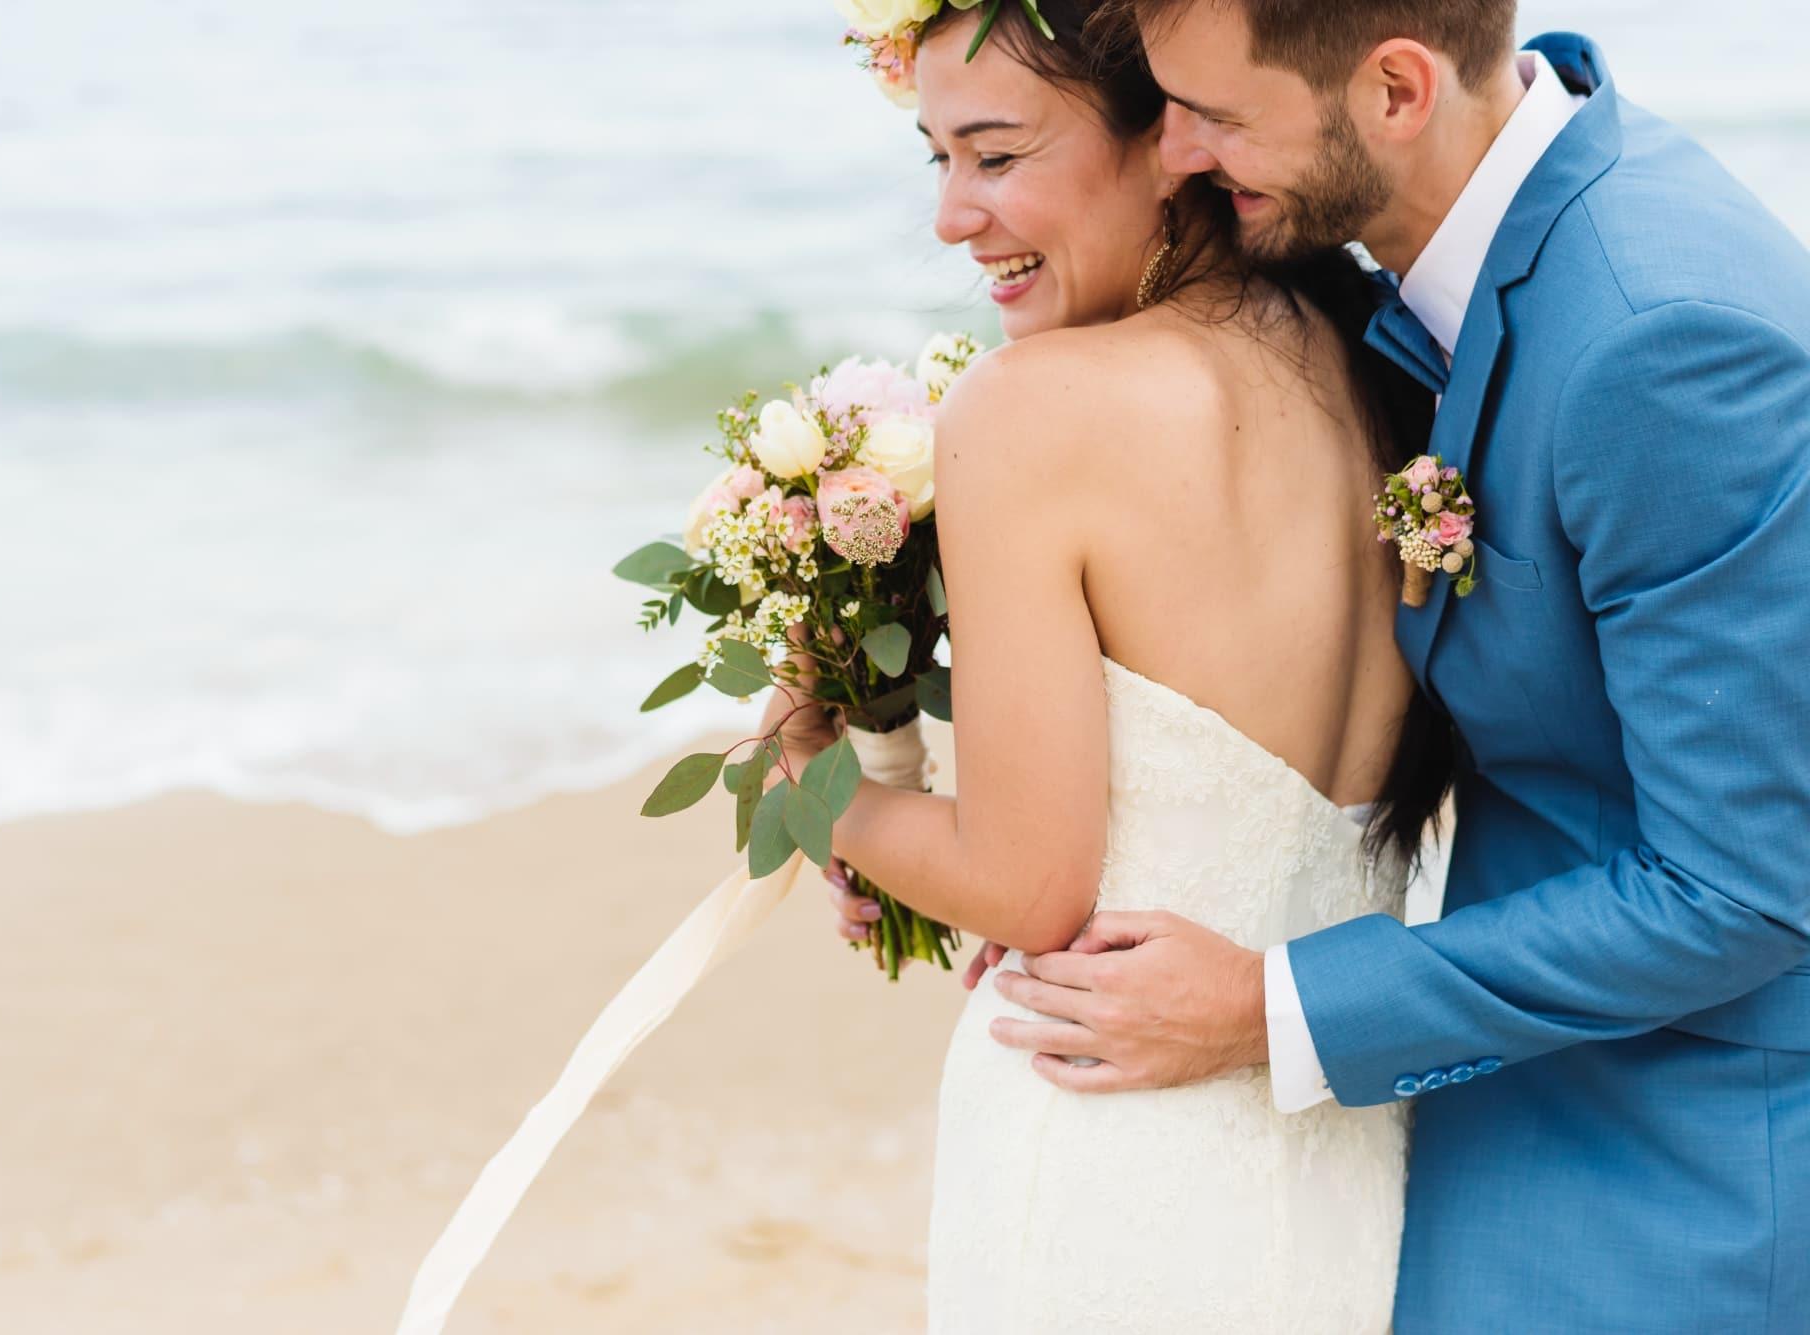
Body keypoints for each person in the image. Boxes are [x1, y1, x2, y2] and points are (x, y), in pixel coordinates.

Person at [930, 1, 1810, 1328]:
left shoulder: (1660, 336)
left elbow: (1748, 885)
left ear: (1395, 89)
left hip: (1664, 1172)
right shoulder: (1419, 280)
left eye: (1214, 118)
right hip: (1452, 1111)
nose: (1170, 156)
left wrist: (1265, 1006)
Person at [766, 1, 1442, 1327]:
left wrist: (803, 778)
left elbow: (1024, 883)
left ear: (1175, 140)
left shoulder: (1032, 411)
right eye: (937, 159)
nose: (955, 215)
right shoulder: (1381, 369)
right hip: (1344, 1152)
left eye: (999, 155)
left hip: (1110, 1152)